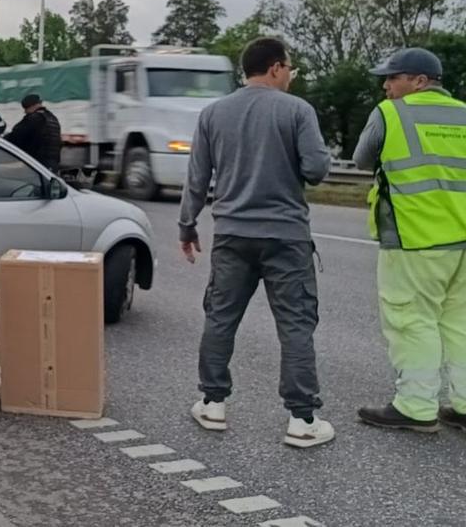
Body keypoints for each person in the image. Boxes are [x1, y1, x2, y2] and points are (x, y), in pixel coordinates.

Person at [179, 37, 335, 448]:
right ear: (276, 68)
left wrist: (187, 226)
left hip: (232, 234)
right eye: (291, 70)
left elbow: (197, 179)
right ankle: (302, 420)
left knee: (220, 318)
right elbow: (317, 169)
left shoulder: (213, 113)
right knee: (295, 325)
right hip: (286, 236)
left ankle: (213, 403)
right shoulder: (298, 110)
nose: (291, 77)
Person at [352, 48, 466, 434]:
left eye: (393, 77)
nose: (386, 85)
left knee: (411, 320)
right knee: (459, 323)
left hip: (414, 236)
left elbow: (362, 159)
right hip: (463, 241)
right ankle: (464, 405)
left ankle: (416, 407)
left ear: (419, 81)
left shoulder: (390, 113)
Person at [4, 94, 62, 171]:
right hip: (52, 163)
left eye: (26, 109)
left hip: (38, 164)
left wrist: (1, 140)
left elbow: (16, 136)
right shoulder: (52, 118)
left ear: (31, 106)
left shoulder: (34, 118)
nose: (25, 112)